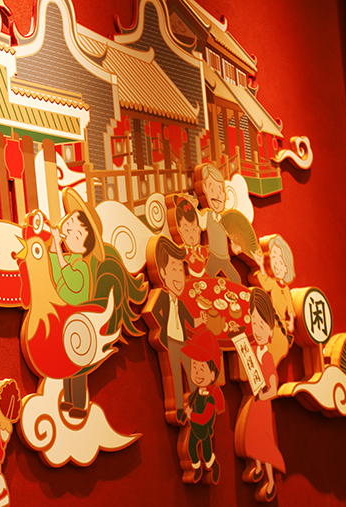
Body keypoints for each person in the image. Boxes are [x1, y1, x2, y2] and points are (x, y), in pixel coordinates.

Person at [49, 189, 105, 418]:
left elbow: (71, 281)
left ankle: (79, 404)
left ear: (84, 240)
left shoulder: (81, 265)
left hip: (79, 320)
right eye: (69, 228)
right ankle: (69, 399)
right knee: (67, 362)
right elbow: (56, 276)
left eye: (76, 232)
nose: (69, 233)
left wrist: (57, 249)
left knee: (78, 365)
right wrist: (54, 249)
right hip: (67, 319)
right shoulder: (68, 259)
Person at [235, 288, 286, 502]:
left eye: (262, 325)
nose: (257, 329)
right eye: (254, 323)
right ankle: (256, 467)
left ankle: (271, 480)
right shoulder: (253, 349)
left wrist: (264, 396)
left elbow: (274, 388)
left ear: (270, 330)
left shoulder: (267, 358)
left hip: (263, 404)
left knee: (264, 441)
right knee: (251, 437)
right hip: (254, 402)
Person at [147, 236, 205, 424]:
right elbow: (151, 311)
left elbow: (190, 321)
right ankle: (179, 408)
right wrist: (161, 329)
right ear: (162, 273)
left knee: (191, 373)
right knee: (175, 378)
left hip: (183, 342)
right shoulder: (161, 298)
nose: (179, 276)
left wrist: (201, 320)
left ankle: (194, 404)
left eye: (181, 270)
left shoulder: (181, 303)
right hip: (170, 343)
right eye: (174, 269)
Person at [182, 327, 223, 485]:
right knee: (191, 449)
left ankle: (213, 465)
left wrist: (191, 415)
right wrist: (185, 414)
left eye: (202, 368)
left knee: (207, 454)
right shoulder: (194, 394)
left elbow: (205, 417)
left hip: (204, 432)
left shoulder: (210, 399)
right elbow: (189, 406)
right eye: (194, 367)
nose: (197, 372)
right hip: (194, 430)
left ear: (212, 374)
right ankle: (196, 468)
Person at [251, 235, 296, 366]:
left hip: (279, 330)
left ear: (287, 267)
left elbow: (291, 310)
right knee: (265, 359)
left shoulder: (286, 290)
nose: (276, 264)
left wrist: (291, 323)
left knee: (270, 359)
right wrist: (261, 265)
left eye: (280, 261)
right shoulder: (273, 284)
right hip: (271, 326)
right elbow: (264, 282)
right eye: (273, 258)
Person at [193, 164, 241, 284]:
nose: (217, 195)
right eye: (212, 189)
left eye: (220, 190)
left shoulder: (225, 220)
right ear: (204, 189)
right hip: (212, 255)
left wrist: (235, 246)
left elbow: (231, 237)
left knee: (235, 279)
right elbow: (199, 222)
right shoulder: (207, 215)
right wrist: (192, 207)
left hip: (225, 258)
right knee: (208, 276)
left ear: (224, 195)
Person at [175, 196, 209, 278]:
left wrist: (197, 256)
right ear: (180, 230)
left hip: (204, 275)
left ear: (198, 229)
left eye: (193, 229)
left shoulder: (202, 249)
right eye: (186, 230)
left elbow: (203, 259)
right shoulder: (184, 250)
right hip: (191, 277)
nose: (191, 236)